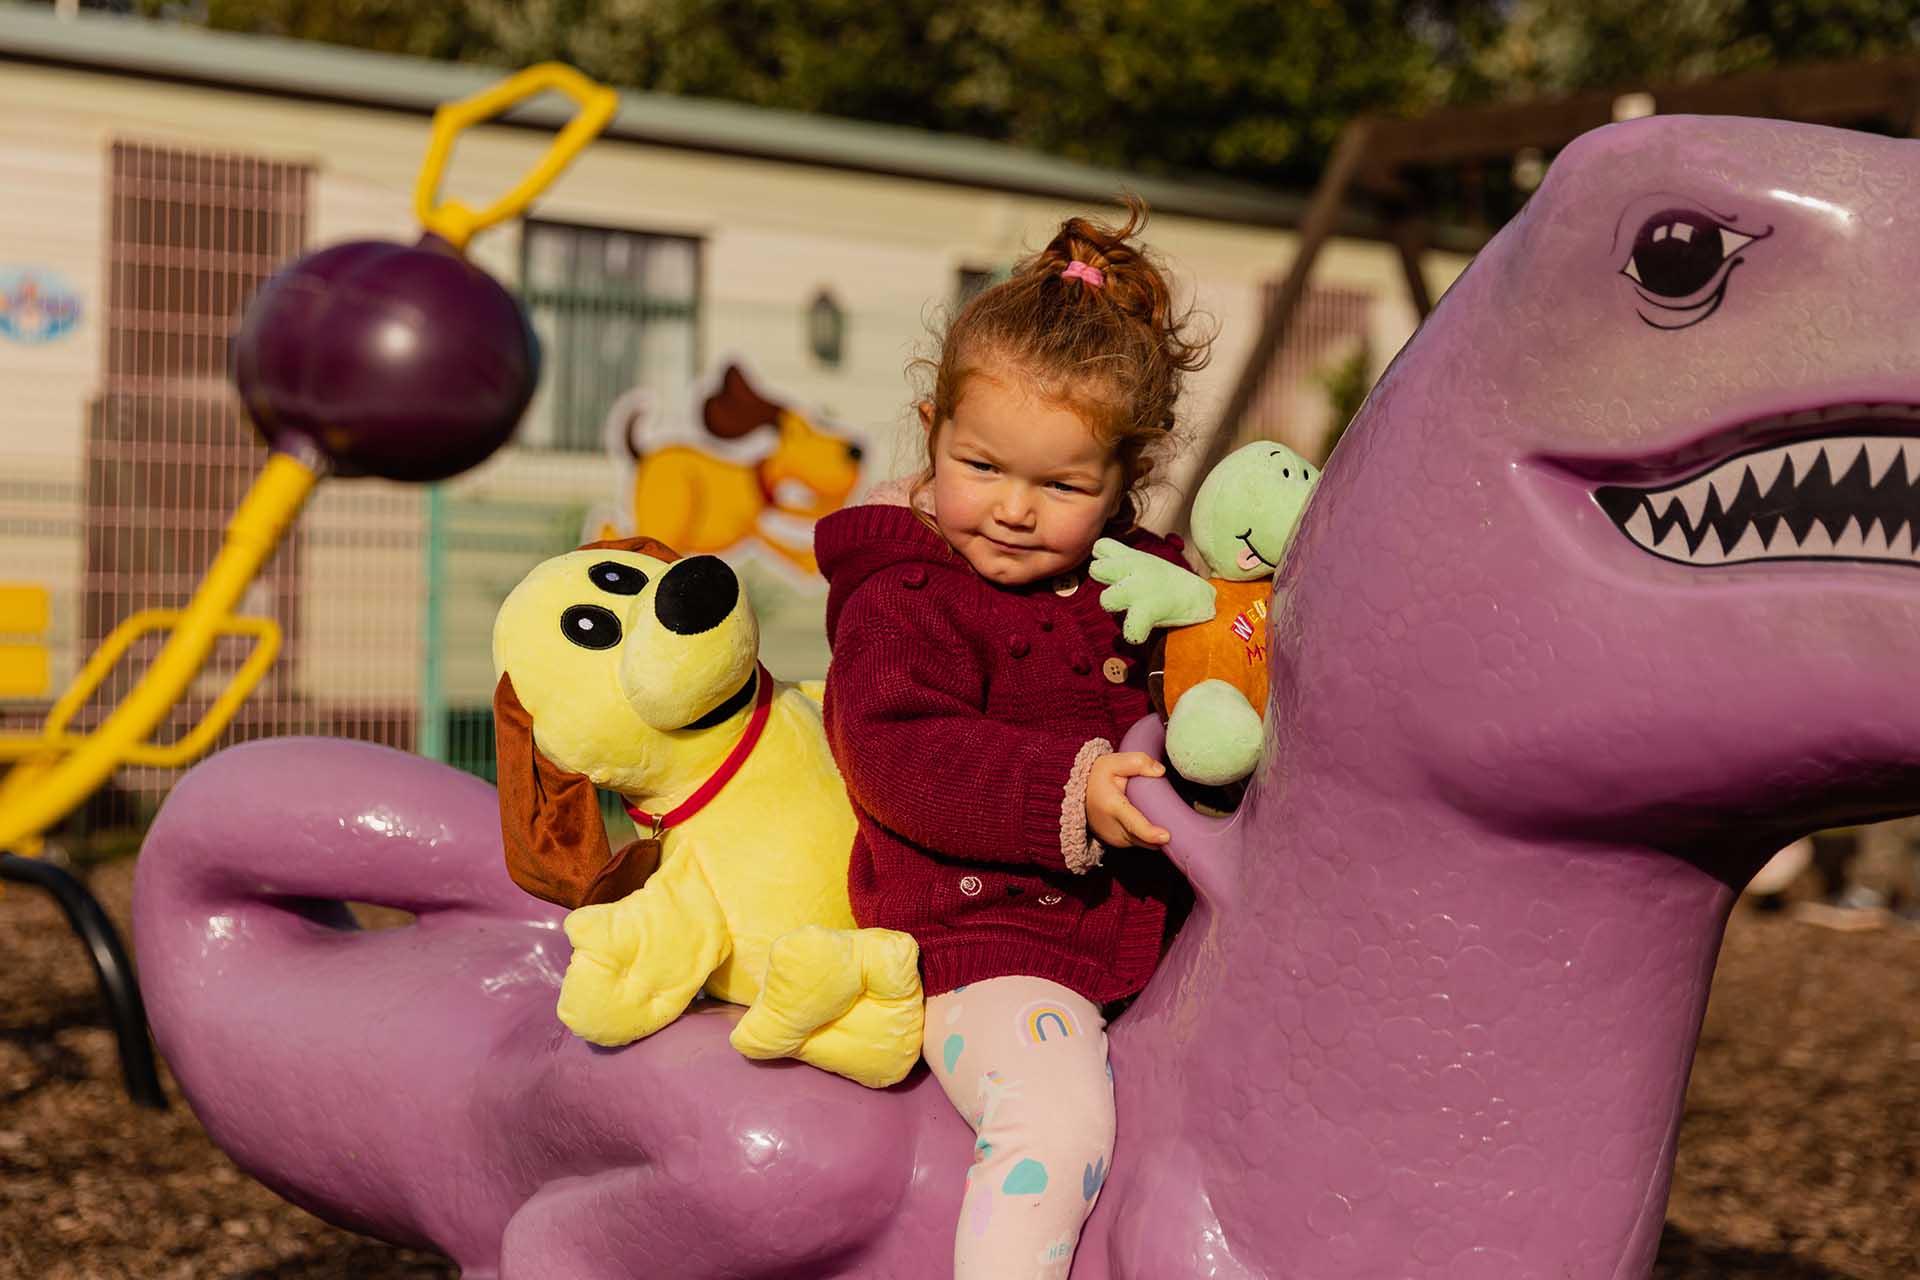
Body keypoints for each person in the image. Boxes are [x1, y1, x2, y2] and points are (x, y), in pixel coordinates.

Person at [814, 199, 1210, 1279]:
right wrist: (1071, 792)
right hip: (985, 946)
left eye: (1065, 485)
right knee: (1054, 1124)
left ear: (1127, 482)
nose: (1014, 510)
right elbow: (899, 751)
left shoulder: (1149, 586)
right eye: (982, 465)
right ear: (933, 425)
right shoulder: (906, 594)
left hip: (1156, 938)